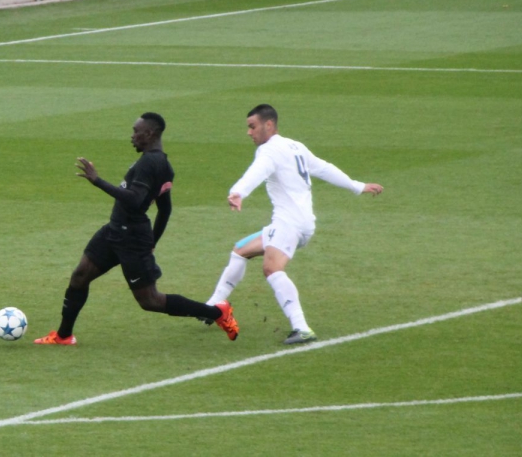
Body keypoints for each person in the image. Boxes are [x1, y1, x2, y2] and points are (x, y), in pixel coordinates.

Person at [34, 112, 239, 345]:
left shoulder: (150, 163)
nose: (132, 136)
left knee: (150, 301)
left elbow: (134, 199)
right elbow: (165, 209)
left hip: (131, 237)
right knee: (80, 276)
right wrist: (153, 241)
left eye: (136, 131)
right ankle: (63, 336)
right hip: (114, 231)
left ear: (150, 133)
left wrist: (97, 181)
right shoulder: (161, 163)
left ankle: (218, 312)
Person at [203, 104, 383, 344]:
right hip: (298, 222)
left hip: (289, 224)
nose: (249, 132)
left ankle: (301, 327)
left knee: (272, 269)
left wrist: (238, 192)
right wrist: (357, 185)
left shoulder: (270, 151)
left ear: (269, 125)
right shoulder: (295, 146)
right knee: (240, 251)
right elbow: (322, 167)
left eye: (252, 126)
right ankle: (212, 306)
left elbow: (257, 171)